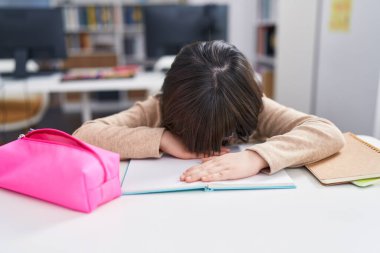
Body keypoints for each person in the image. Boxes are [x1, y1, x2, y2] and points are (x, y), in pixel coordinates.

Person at [73, 40, 345, 183]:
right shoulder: (157, 106)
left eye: (227, 133)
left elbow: (326, 133)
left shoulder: (252, 105)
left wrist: (256, 158)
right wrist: (163, 139)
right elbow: (84, 134)